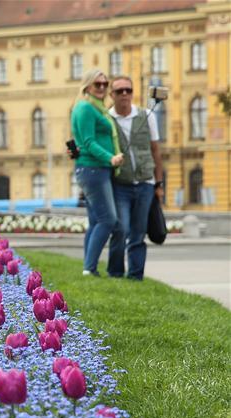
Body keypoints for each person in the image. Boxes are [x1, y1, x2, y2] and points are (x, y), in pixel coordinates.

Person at [108, 75, 164, 280]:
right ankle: (115, 273)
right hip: (120, 185)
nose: (124, 94)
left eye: (128, 90)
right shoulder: (107, 119)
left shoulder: (146, 116)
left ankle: (135, 276)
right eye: (120, 91)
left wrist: (158, 183)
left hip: (145, 184)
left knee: (138, 233)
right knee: (121, 229)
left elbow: (156, 150)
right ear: (111, 95)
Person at [70, 69, 124, 277]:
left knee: (95, 221)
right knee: (107, 220)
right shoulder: (85, 108)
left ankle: (88, 266)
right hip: (94, 169)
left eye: (104, 84)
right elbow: (87, 142)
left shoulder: (97, 108)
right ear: (87, 86)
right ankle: (89, 268)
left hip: (95, 169)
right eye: (97, 84)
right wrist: (110, 158)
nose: (102, 88)